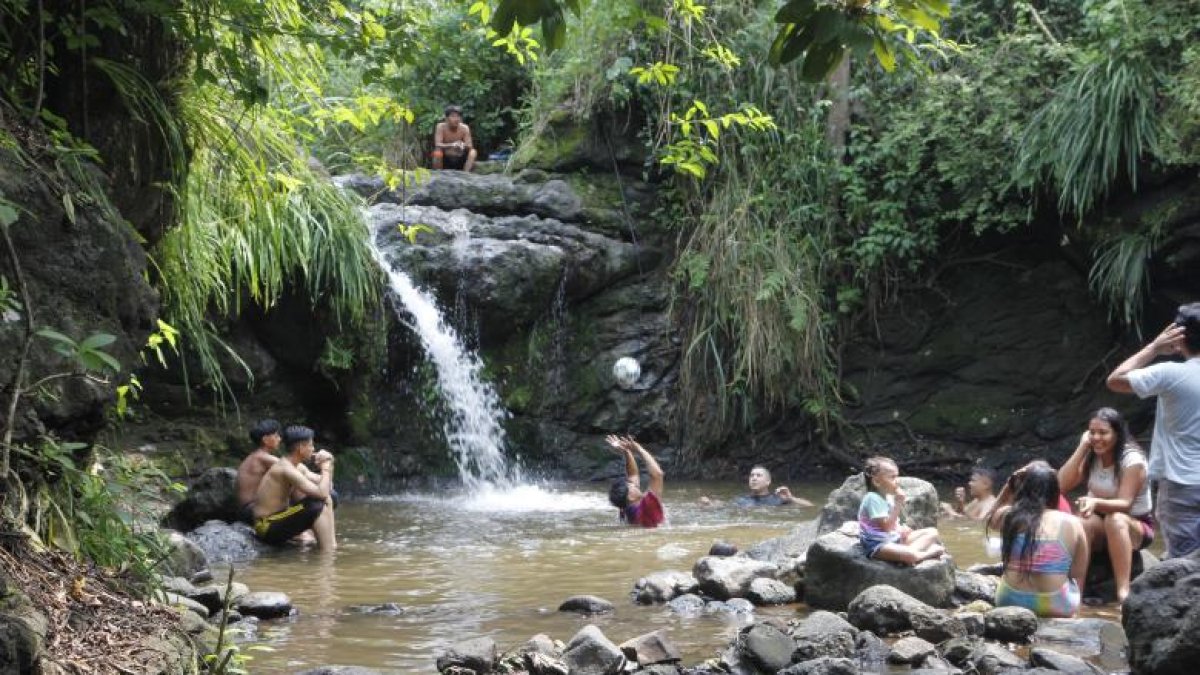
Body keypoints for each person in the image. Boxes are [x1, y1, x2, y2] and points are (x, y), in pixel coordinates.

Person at [1107, 303, 1200, 559]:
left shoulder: (1171, 374)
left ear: (1178, 336)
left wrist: (1154, 348)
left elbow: (1116, 380)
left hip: (1183, 482)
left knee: (1184, 564)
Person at [1057, 408, 1153, 602]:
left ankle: (1123, 593)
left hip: (1135, 525)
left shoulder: (1132, 459)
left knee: (1115, 519)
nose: (1096, 438)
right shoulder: (1092, 453)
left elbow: (1125, 504)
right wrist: (1083, 447)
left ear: (1117, 434)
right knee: (1082, 521)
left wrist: (1095, 501)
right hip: (1100, 523)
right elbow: (1060, 485)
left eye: (1103, 432)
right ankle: (1076, 592)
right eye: (1092, 432)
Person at [987, 460, 1089, 617]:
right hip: (1054, 604)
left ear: (1022, 490)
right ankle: (1076, 615)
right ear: (1055, 493)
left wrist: (1008, 486)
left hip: (1009, 600)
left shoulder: (1009, 515)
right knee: (1073, 581)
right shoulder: (1071, 522)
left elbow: (989, 517)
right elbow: (1077, 571)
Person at [252, 425, 337, 550]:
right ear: (301, 448)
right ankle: (328, 552)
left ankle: (330, 544)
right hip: (266, 526)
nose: (313, 449)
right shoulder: (285, 469)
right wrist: (325, 467)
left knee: (331, 496)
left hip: (279, 518)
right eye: (311, 445)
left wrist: (329, 463)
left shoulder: (296, 466)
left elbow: (328, 485)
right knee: (319, 503)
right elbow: (322, 493)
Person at [858, 457, 946, 564]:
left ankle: (908, 552)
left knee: (933, 532)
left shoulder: (888, 496)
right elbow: (886, 527)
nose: (897, 481)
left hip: (893, 538)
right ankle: (923, 554)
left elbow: (893, 523)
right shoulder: (873, 498)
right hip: (878, 544)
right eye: (892, 477)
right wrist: (898, 503)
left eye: (897, 476)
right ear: (876, 481)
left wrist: (901, 529)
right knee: (910, 555)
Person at [606, 435, 665, 528]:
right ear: (630, 497)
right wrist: (639, 449)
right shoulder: (647, 505)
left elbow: (633, 475)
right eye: (631, 486)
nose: (634, 484)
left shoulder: (625, 508)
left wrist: (626, 451)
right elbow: (658, 474)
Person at [236, 419, 282, 524]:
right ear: (265, 439)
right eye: (276, 436)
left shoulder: (255, 456)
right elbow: (291, 468)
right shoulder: (262, 458)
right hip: (252, 510)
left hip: (247, 510)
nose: (280, 439)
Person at [731, 466, 813, 507]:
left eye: (758, 475)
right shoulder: (741, 500)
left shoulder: (778, 498)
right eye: (752, 475)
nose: (754, 478)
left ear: (768, 482)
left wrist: (791, 498)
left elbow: (810, 506)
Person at [432, 105, 477, 172]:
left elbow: (470, 145)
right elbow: (437, 144)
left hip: (460, 157)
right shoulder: (440, 127)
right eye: (453, 116)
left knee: (473, 152)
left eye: (458, 116)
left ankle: (466, 174)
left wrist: (462, 145)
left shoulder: (464, 128)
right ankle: (438, 173)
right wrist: (452, 145)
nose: (456, 119)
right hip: (446, 158)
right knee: (437, 151)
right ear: (447, 118)